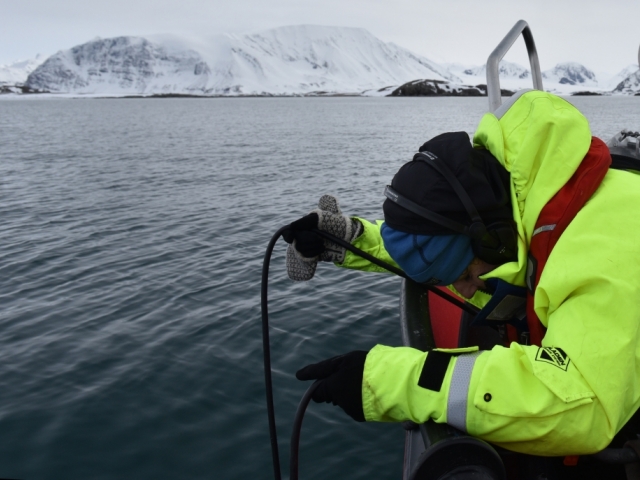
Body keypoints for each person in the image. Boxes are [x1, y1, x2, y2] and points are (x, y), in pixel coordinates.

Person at [283, 89, 640, 456]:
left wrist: (387, 380)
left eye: (465, 276)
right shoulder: (522, 198)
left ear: (493, 240)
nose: (466, 293)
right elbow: (454, 249)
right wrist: (351, 240)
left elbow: (580, 405)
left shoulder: (602, 245)